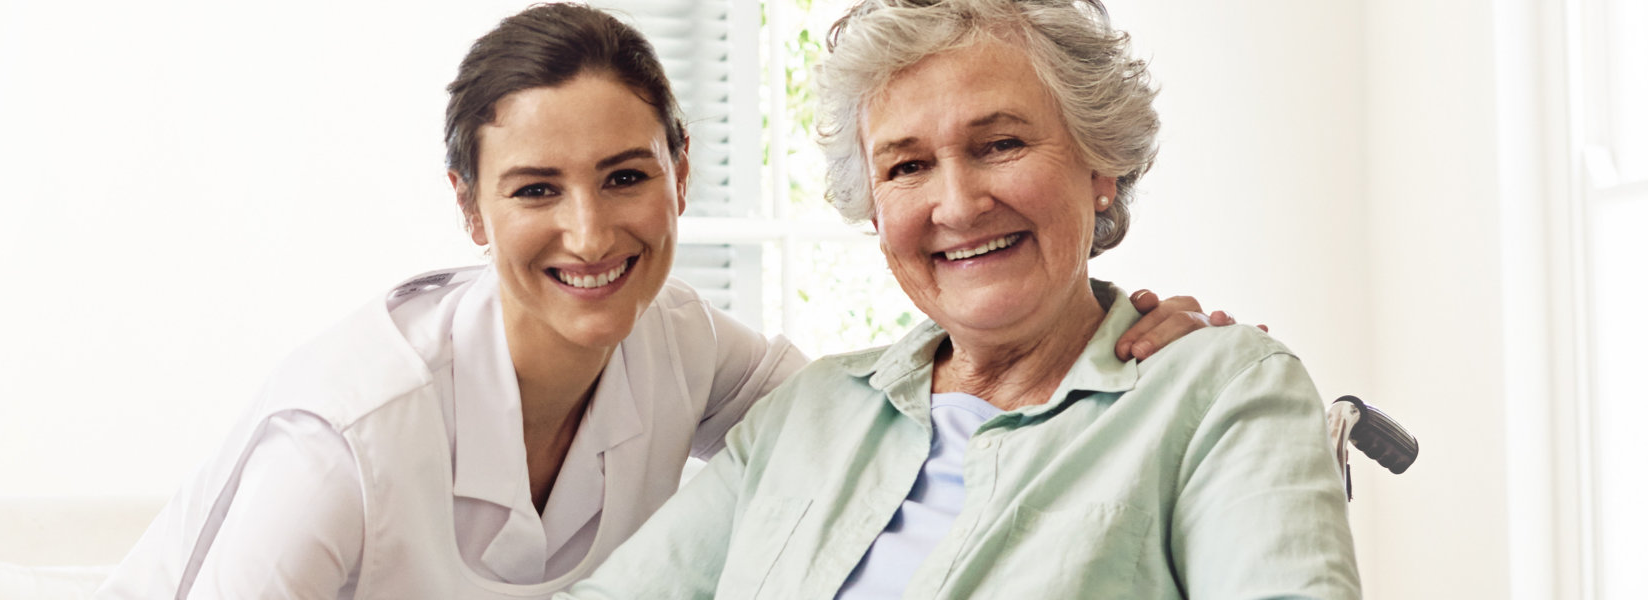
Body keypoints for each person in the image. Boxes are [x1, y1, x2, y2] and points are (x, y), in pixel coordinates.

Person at [97, 3, 1235, 599]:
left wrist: (1126, 343)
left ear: (682, 174)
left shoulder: (687, 344)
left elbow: (888, 420)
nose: (592, 235)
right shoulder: (340, 439)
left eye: (627, 177)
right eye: (536, 190)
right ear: (469, 207)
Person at [557, 0, 1360, 598]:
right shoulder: (807, 413)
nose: (958, 204)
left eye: (1001, 144)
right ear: (875, 211)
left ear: (1099, 164)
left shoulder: (1220, 392)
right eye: (906, 167)